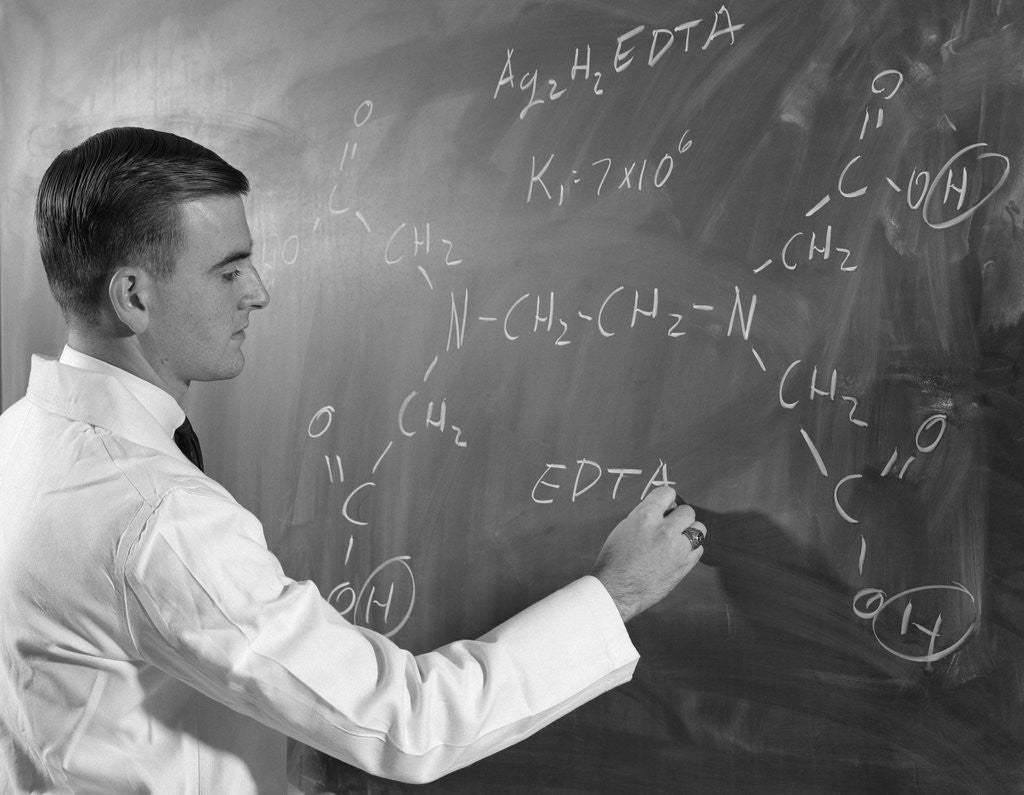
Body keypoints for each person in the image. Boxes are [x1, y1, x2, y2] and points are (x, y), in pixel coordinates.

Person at [0, 127, 708, 793]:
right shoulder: (157, 518)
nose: (259, 291)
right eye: (228, 271)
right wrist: (619, 592)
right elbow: (412, 722)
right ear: (133, 296)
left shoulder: (21, 439)